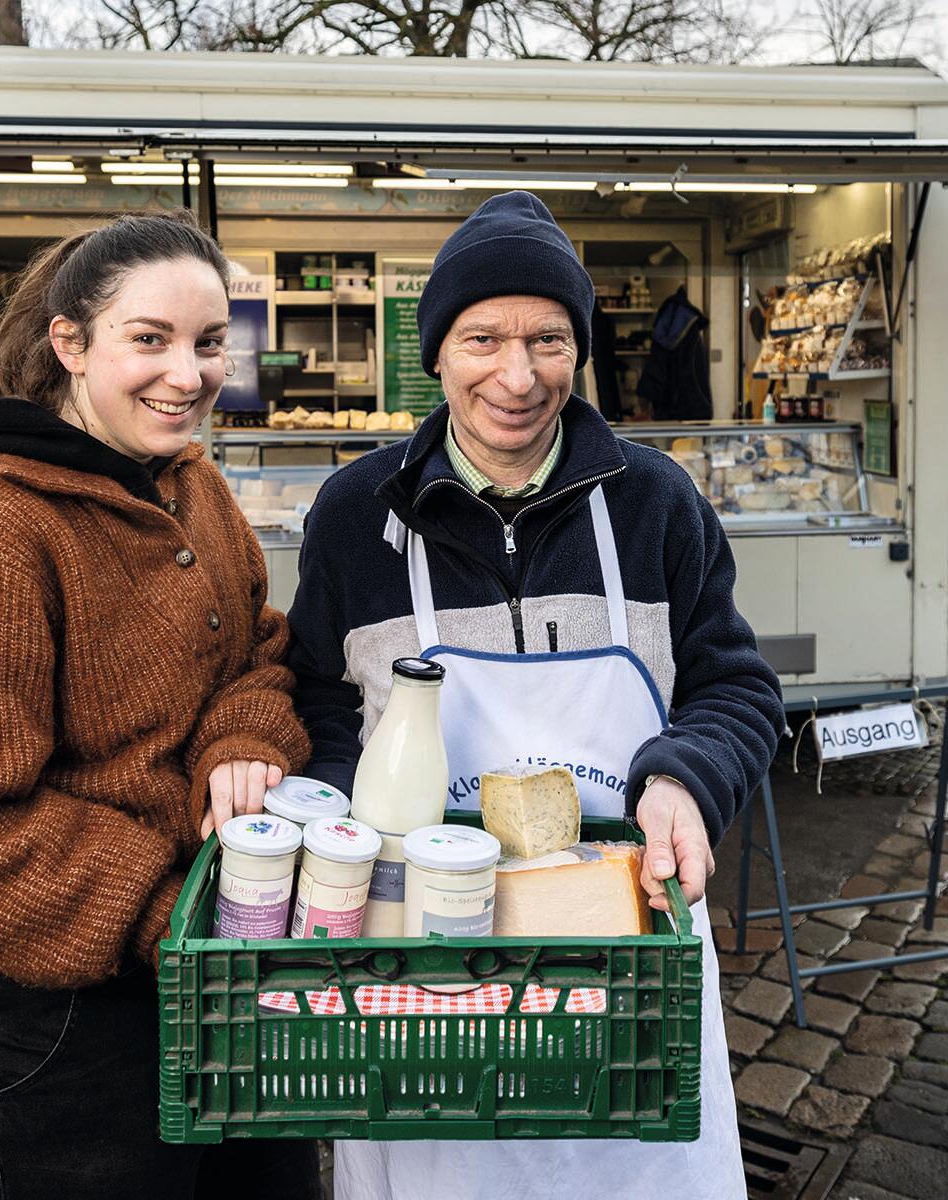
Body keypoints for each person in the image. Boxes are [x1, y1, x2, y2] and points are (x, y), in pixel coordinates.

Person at [283, 191, 782, 1200]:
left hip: (626, 949)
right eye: (483, 340)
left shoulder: (656, 503)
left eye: (550, 339)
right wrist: (339, 818)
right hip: (422, 969)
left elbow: (734, 684)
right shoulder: (354, 515)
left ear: (580, 348)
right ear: (437, 352)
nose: (519, 377)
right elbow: (317, 704)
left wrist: (688, 781)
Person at [0, 213, 318, 1198]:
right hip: (61, 1030)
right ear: (69, 343)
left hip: (216, 978)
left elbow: (260, 652)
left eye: (208, 342)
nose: (188, 375)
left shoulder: (190, 487)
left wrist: (244, 735)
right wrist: (175, 915)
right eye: (148, 340)